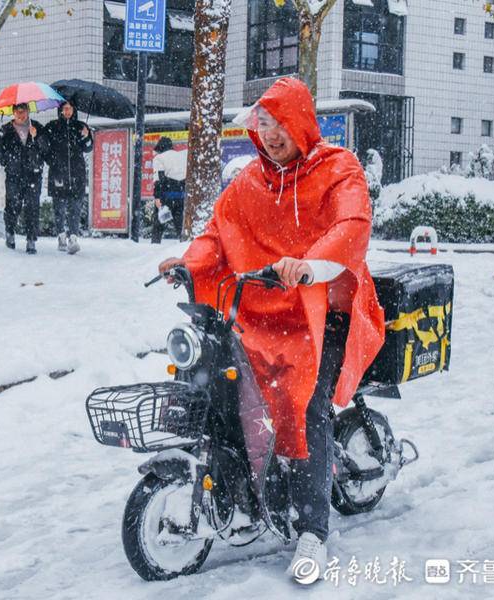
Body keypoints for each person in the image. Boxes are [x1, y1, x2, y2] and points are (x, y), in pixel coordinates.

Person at [157, 77, 385, 578]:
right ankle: (246, 480)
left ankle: (312, 532)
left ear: (301, 121)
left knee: (303, 401)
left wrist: (310, 264)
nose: (273, 133)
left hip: (322, 311)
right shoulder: (249, 183)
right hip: (258, 311)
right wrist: (190, 263)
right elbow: (217, 234)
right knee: (219, 380)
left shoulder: (337, 168)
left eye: (281, 122)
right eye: (265, 122)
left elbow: (352, 226)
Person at [0, 103, 49, 254]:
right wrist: (8, 162)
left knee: (32, 207)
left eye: (23, 111)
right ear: (13, 113)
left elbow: (46, 149)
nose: (20, 115)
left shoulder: (37, 127)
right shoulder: (5, 130)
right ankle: (10, 233)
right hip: (14, 175)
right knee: (12, 205)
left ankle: (31, 240)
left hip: (33, 175)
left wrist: (36, 137)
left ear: (28, 111)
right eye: (17, 112)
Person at [43, 99, 93, 255]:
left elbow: (88, 147)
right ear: (60, 110)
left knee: (75, 208)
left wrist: (86, 135)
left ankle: (73, 237)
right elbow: (44, 147)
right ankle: (61, 236)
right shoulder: (52, 126)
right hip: (58, 173)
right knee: (59, 208)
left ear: (74, 110)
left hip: (77, 174)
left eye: (70, 108)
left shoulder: (80, 126)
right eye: (64, 108)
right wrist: (53, 162)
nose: (67, 111)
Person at [150, 137, 187, 244]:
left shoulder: (159, 158)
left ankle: (155, 247)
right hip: (181, 196)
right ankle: (183, 246)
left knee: (159, 225)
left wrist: (157, 197)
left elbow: (159, 179)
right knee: (180, 226)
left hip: (166, 196)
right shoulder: (182, 156)